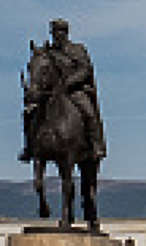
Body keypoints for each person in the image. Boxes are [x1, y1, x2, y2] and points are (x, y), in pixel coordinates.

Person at [24, 17, 104, 162]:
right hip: (51, 93)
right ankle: (29, 147)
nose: (57, 35)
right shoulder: (48, 51)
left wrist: (68, 82)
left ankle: (95, 145)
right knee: (29, 112)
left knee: (88, 112)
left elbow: (85, 69)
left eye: (60, 32)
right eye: (54, 32)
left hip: (74, 90)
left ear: (66, 33)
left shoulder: (78, 49)